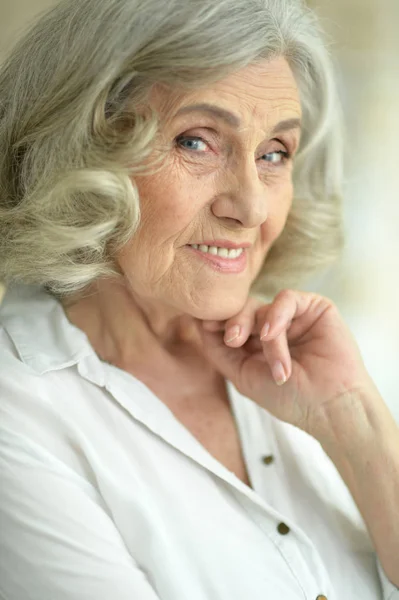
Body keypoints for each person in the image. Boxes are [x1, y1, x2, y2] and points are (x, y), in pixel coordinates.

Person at [0, 0, 398, 598]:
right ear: (78, 149)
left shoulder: (320, 360)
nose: (251, 207)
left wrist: (354, 422)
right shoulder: (19, 414)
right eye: (197, 142)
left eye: (273, 154)